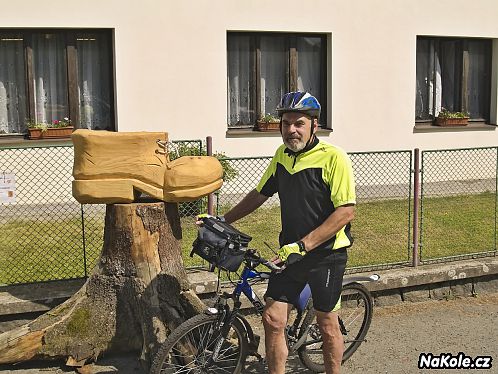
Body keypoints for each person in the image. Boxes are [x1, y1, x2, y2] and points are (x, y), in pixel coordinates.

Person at [222, 91, 356, 374]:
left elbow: (345, 212)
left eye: (299, 123)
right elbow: (260, 194)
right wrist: (223, 220)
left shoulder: (334, 158)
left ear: (314, 126)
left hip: (326, 256)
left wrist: (304, 245)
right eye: (286, 124)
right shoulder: (282, 155)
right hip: (290, 255)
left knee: (327, 323)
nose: (291, 130)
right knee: (272, 319)